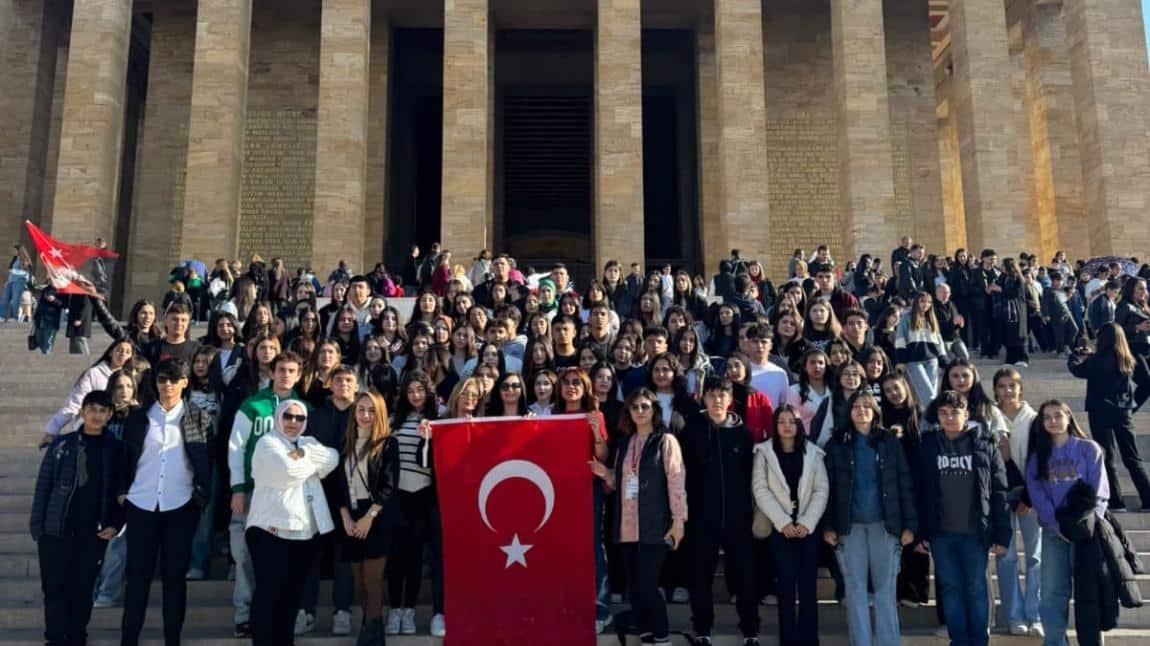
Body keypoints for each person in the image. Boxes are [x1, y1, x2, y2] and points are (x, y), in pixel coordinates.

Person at [119, 358, 214, 646]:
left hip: (180, 507)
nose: (168, 385)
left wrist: (200, 498)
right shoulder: (139, 417)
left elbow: (207, 461)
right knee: (137, 579)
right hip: (141, 505)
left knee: (174, 579)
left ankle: (172, 639)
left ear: (185, 382)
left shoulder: (199, 417)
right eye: (162, 379)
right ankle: (129, 640)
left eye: (174, 379)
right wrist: (123, 492)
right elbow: (124, 458)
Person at [591, 388, 686, 646]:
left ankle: (662, 638)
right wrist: (604, 472)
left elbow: (676, 483)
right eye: (635, 407)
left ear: (654, 410)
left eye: (645, 406)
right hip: (626, 528)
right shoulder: (625, 442)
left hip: (654, 526)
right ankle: (646, 637)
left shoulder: (665, 441)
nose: (640, 411)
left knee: (647, 587)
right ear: (629, 412)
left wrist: (679, 521)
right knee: (635, 588)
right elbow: (619, 483)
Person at [823, 390, 917, 646]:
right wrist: (829, 525)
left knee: (886, 592)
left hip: (884, 527)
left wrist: (910, 525)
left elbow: (904, 483)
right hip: (849, 528)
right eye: (856, 406)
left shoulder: (889, 441)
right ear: (849, 411)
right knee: (855, 592)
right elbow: (828, 487)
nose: (861, 410)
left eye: (867, 406)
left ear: (875, 411)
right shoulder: (837, 444)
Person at [917, 390, 1011, 646]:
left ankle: (979, 641)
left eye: (955, 413)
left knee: (977, 591)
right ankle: (958, 642)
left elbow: (999, 492)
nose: (949, 418)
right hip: (941, 534)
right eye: (943, 413)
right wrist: (921, 533)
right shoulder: (928, 446)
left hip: (975, 534)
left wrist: (1002, 534)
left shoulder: (984, 444)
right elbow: (920, 491)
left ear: (966, 415)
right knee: (950, 591)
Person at [31, 391, 123, 646]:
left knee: (83, 591)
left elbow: (120, 490)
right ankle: (55, 639)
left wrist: (115, 524)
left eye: (102, 411)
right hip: (56, 530)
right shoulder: (62, 445)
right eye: (91, 409)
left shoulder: (115, 449)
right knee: (54, 589)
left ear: (110, 415)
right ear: (82, 412)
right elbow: (43, 486)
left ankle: (76, 637)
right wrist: (38, 528)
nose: (96, 415)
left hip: (93, 533)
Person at [246, 400, 339, 646]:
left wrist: (304, 454)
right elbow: (289, 472)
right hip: (269, 531)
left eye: (299, 418)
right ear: (278, 417)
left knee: (291, 597)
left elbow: (333, 458)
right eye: (288, 416)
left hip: (304, 533)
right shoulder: (267, 443)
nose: (293, 423)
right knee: (269, 595)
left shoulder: (307, 443)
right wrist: (312, 465)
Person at [228, 352, 306, 638]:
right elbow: (236, 447)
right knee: (245, 556)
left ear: (299, 375)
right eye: (281, 370)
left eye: (292, 371)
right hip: (251, 493)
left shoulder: (303, 408)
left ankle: (278, 616)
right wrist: (237, 487)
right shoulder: (253, 405)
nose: (286, 375)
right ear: (272, 373)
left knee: (281, 563)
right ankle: (244, 615)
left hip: (289, 499)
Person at [679, 376, 761, 646]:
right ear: (704, 399)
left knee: (746, 577)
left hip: (738, 518)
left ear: (730, 400)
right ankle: (702, 629)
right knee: (700, 576)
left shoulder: (743, 435)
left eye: (721, 395)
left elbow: (752, 476)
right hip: (702, 519)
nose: (716, 400)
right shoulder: (691, 432)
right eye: (711, 395)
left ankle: (750, 631)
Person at [1025, 400, 1109, 646]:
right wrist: (1056, 526)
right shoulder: (1037, 457)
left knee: (1089, 593)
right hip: (1054, 534)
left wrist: (1089, 523)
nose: (1052, 420)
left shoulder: (1088, 449)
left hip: (1086, 533)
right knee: (1051, 594)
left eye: (1057, 415)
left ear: (1069, 418)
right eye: (1047, 417)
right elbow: (1037, 494)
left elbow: (1100, 491)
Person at [751, 404, 828, 646]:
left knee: (807, 587)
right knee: (784, 585)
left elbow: (821, 490)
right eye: (782, 421)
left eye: (791, 421)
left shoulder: (814, 453)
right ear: (775, 425)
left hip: (808, 529)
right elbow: (760, 489)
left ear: (798, 425)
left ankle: (808, 639)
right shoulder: (763, 452)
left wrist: (806, 523)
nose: (786, 426)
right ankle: (788, 640)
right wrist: (783, 522)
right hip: (778, 527)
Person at [334, 391, 400, 645]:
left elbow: (389, 485)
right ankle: (370, 627)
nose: (365, 415)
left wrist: (369, 518)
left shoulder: (387, 443)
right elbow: (338, 486)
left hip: (376, 517)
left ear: (379, 414)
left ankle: (372, 635)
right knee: (359, 581)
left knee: (372, 581)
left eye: (371, 410)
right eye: (361, 409)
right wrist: (346, 518)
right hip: (351, 516)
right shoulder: (346, 444)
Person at [298, 366, 359, 637]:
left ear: (356, 386)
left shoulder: (362, 415)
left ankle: (342, 612)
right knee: (311, 556)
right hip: (316, 494)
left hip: (352, 495)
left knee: (343, 557)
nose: (343, 384)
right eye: (338, 380)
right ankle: (306, 612)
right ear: (329, 385)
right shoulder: (314, 416)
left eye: (348, 380)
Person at [386, 371, 445, 637]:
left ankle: (409, 610)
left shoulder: (438, 419)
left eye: (420, 390)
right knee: (397, 556)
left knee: (415, 555)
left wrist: (428, 438)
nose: (416, 396)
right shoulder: (394, 420)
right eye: (411, 391)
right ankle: (395, 610)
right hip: (398, 495)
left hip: (423, 494)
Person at [1067, 323, 1150, 511]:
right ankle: (1147, 498)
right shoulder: (1129, 358)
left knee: (1108, 458)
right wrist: (1132, 404)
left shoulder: (1096, 360)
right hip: (1123, 412)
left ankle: (1116, 501)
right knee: (1133, 458)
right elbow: (1147, 383)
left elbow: (1076, 369)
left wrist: (1076, 355)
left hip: (1099, 412)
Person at [992, 367, 1042, 636]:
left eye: (1012, 386)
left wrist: (1031, 496)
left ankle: (1035, 614)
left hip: (1031, 496)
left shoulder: (1033, 418)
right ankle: (1014, 615)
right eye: (1002, 386)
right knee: (1007, 557)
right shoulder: (990, 416)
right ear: (995, 389)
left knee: (1035, 557)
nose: (1007, 391)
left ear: (1020, 388)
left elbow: (1040, 460)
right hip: (1001, 495)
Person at [42, 339, 134, 444]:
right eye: (119, 350)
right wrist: (52, 430)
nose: (122, 354)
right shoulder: (94, 373)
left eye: (127, 352)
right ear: (110, 352)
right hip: (92, 430)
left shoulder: (133, 377)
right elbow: (74, 404)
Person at [894, 291, 945, 408]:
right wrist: (901, 360)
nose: (925, 305)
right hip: (914, 360)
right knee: (928, 394)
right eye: (922, 301)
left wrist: (942, 357)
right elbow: (900, 339)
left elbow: (939, 341)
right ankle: (935, 418)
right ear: (916, 302)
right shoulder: (907, 317)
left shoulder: (931, 318)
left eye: (928, 302)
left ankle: (927, 422)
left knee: (930, 394)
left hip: (932, 359)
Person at [32, 285, 65, 355]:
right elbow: (40, 304)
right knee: (40, 341)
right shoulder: (45, 289)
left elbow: (64, 304)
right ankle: (45, 354)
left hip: (52, 321)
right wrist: (35, 317)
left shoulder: (62, 290)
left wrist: (54, 300)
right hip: (40, 320)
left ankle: (47, 357)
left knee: (48, 344)